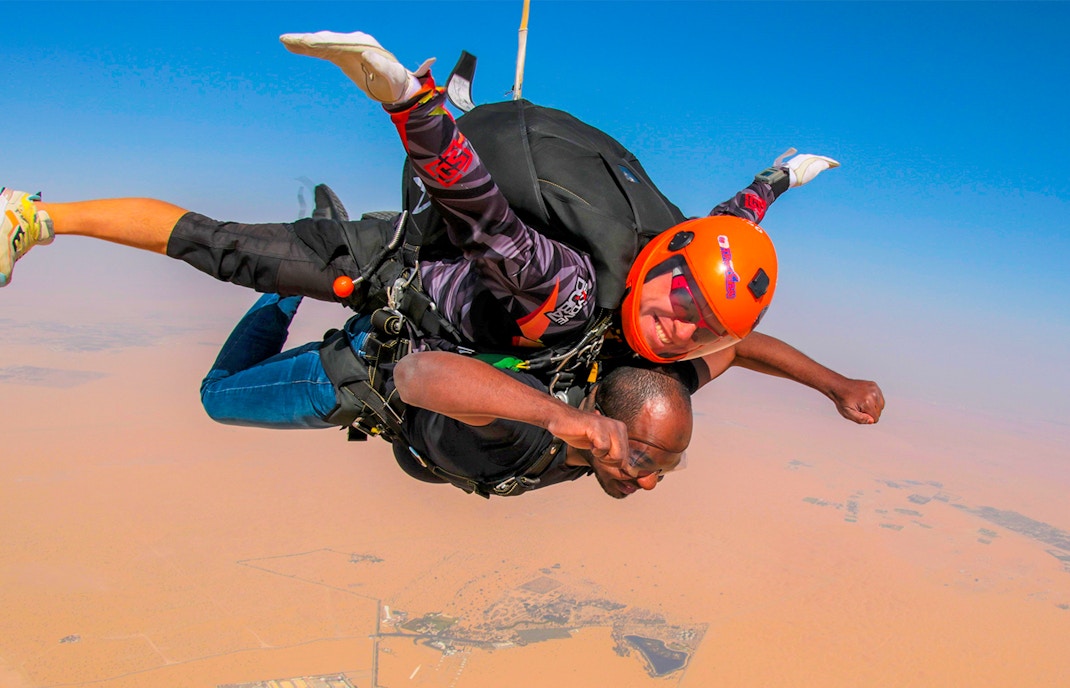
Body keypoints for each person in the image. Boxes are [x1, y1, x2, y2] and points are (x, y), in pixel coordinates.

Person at [1, 30, 883, 426]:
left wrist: (775, 180)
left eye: (705, 323)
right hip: (397, 272)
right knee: (220, 246)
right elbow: (487, 221)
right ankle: (35, 216)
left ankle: (453, 96)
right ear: (663, 259)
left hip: (444, 301)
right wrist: (412, 108)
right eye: (684, 297)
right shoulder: (577, 295)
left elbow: (734, 248)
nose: (685, 322)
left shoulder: (677, 316)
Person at [204, 292, 691, 499]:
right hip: (354, 376)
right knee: (216, 397)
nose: (646, 483)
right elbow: (419, 374)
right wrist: (553, 416)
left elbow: (734, 351)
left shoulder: (629, 401)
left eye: (662, 471)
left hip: (407, 361)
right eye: (641, 463)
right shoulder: (528, 428)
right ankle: (287, 285)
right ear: (599, 416)